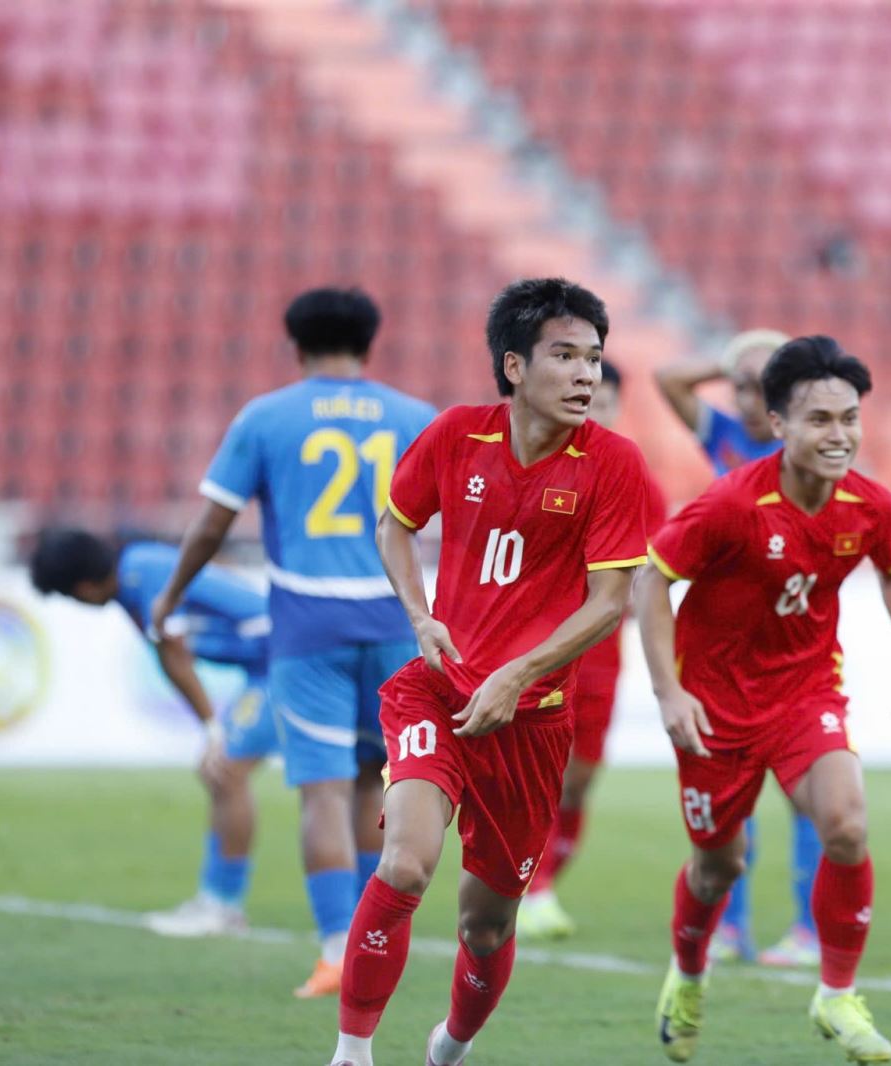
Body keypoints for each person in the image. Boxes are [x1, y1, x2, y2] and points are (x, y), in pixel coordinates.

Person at [329, 278, 654, 1066]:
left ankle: (453, 1044)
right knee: (404, 863)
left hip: (531, 724)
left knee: (487, 923)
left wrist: (517, 676)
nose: (587, 376)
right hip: (436, 694)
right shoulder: (454, 437)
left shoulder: (613, 465)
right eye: (566, 357)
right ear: (513, 367)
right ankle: (350, 1053)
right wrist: (419, 615)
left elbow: (611, 603)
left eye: (595, 359)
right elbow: (395, 524)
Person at [638, 336, 891, 1063]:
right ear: (778, 425)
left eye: (848, 418)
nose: (839, 436)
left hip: (806, 691)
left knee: (846, 823)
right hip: (715, 706)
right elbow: (652, 581)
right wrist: (669, 693)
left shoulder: (872, 507)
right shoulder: (730, 504)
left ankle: (836, 995)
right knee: (718, 866)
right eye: (819, 421)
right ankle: (687, 973)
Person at [150, 287, 436, 998]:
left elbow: (215, 523)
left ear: (296, 346)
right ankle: (380, 944)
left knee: (324, 793)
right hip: (396, 620)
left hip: (308, 625)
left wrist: (172, 592)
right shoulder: (414, 418)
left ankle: (341, 952)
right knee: (380, 783)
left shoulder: (267, 416)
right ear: (371, 346)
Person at [656, 327, 823, 966]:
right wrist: (734, 357)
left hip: (787, 643)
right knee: (731, 788)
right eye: (741, 387)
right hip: (723, 645)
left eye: (762, 386)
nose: (748, 397)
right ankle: (732, 926)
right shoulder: (724, 435)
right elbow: (669, 377)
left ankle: (809, 928)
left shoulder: (806, 446)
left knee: (805, 789)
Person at [30, 528, 276, 937]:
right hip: (267, 664)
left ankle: (223, 906)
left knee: (225, 768)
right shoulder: (138, 566)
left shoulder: (141, 581)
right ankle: (219, 901)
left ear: (86, 587)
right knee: (223, 772)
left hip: (287, 660)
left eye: (71, 597)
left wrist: (213, 729)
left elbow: (174, 653)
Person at [515, 358, 667, 940]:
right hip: (536, 645)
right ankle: (534, 887)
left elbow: (658, 559)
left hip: (600, 652)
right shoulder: (536, 467)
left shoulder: (630, 474)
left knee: (579, 777)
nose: (593, 414)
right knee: (537, 772)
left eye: (605, 405)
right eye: (588, 402)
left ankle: (543, 880)